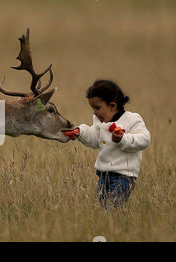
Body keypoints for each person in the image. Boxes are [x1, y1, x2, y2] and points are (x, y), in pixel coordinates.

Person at [64, 80, 151, 208]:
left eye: (97, 108)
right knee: (104, 208)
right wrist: (80, 133)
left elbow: (145, 139)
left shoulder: (132, 119)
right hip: (103, 175)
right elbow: (95, 138)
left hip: (123, 176)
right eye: (92, 108)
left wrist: (123, 139)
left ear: (112, 106)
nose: (94, 112)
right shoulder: (100, 121)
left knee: (112, 208)